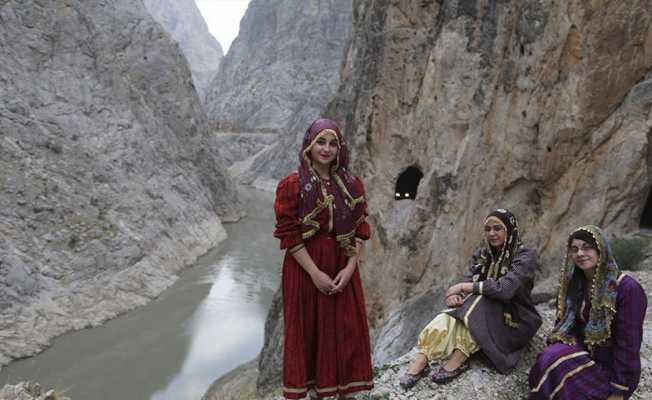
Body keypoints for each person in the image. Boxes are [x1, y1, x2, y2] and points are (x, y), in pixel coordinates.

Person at [273, 118, 374, 399]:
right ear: (309, 144)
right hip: (305, 268)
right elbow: (289, 234)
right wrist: (315, 273)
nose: (327, 149)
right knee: (308, 330)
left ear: (340, 148)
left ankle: (341, 391)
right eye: (321, 142)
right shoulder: (291, 185)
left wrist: (351, 268)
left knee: (345, 330)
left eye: (333, 143)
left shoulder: (352, 186)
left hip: (343, 265)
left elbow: (359, 230)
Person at [399, 209, 542, 388]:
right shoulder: (483, 254)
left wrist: (463, 287)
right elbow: (470, 279)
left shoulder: (524, 256)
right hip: (483, 311)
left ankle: (460, 356)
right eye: (488, 229)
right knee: (452, 312)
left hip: (515, 319)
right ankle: (423, 357)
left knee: (482, 300)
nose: (492, 233)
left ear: (509, 230)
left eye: (497, 228)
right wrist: (456, 296)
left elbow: (505, 290)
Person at [528, 225, 647, 400]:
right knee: (549, 358)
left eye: (587, 247)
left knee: (556, 363)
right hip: (586, 354)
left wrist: (618, 390)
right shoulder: (575, 284)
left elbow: (628, 345)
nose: (580, 254)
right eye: (574, 249)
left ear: (601, 249)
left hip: (612, 369)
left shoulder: (626, 289)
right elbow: (568, 327)